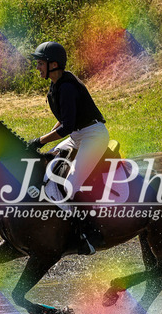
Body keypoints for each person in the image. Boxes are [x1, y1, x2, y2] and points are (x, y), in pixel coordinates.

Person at [27, 41, 109, 255]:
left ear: (53, 64)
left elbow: (67, 127)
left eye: (40, 63)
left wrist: (40, 140)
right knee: (49, 164)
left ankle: (90, 232)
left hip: (93, 135)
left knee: (71, 185)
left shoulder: (67, 87)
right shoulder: (56, 84)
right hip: (78, 135)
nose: (38, 67)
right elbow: (65, 119)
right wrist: (46, 138)